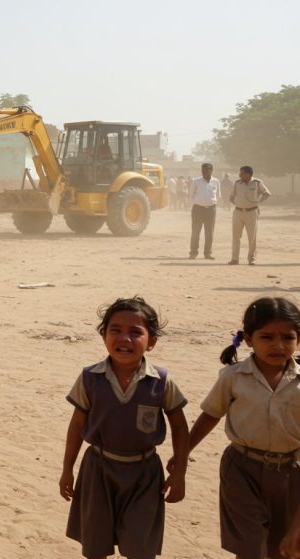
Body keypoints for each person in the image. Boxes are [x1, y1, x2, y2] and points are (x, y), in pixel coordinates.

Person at [60, 297, 189, 559]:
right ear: (104, 336)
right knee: (95, 544)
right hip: (98, 469)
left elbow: (180, 427)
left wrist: (180, 473)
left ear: (151, 341)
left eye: (135, 332)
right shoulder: (89, 378)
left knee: (140, 548)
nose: (125, 339)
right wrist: (67, 470)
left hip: (144, 474)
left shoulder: (161, 381)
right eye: (115, 330)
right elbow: (76, 426)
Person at [179, 297, 300, 559]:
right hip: (242, 470)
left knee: (284, 549)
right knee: (249, 547)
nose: (278, 345)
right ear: (248, 339)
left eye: (287, 338)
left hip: (291, 473)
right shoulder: (233, 377)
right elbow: (210, 415)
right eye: (266, 337)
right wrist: (182, 454)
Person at [229, 165, 272, 265]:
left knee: (252, 237)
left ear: (248, 174)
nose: (240, 175)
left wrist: (258, 202)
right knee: (236, 236)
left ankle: (252, 258)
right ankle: (235, 258)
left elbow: (267, 193)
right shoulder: (237, 183)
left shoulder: (257, 183)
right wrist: (238, 203)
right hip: (238, 212)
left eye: (242, 173)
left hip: (252, 212)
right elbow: (231, 197)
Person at [188, 163, 219, 260]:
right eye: (203, 171)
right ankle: (193, 253)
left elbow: (218, 195)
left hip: (211, 210)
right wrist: (197, 204)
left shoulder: (216, 181)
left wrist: (211, 203)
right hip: (198, 210)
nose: (204, 173)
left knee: (209, 233)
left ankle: (207, 253)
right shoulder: (196, 181)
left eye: (207, 171)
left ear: (211, 171)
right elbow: (191, 195)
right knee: (195, 232)